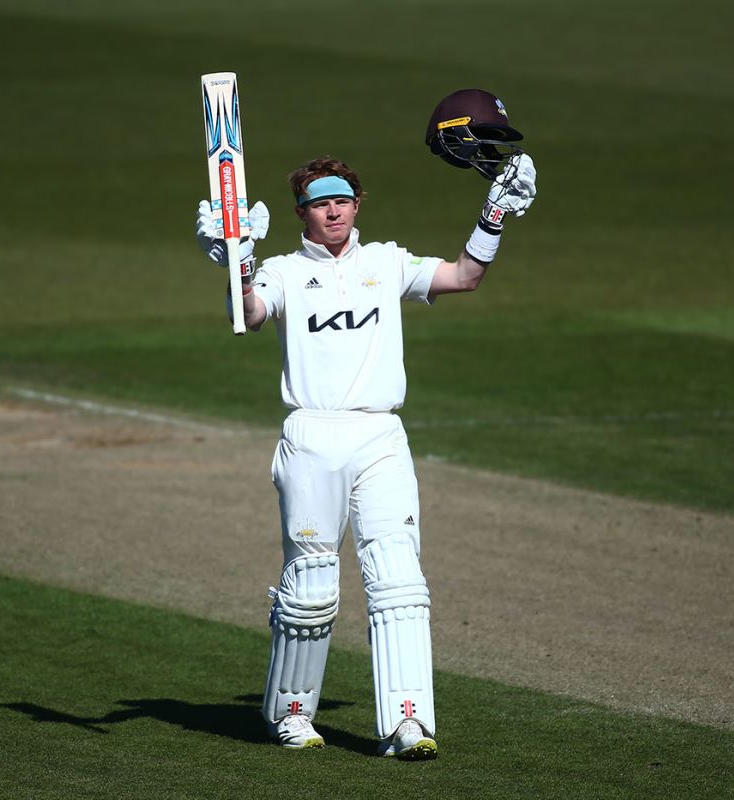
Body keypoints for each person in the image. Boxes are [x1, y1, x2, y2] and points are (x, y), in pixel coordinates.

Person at [194, 89, 537, 760]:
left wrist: (494, 214)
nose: (333, 211)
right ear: (302, 213)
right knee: (313, 586)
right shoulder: (286, 271)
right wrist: (232, 258)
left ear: (357, 206)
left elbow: (464, 277)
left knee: (399, 578)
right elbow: (251, 315)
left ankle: (407, 721)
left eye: (343, 200)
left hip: (381, 436)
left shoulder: (386, 262)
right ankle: (292, 714)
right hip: (313, 436)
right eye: (321, 202)